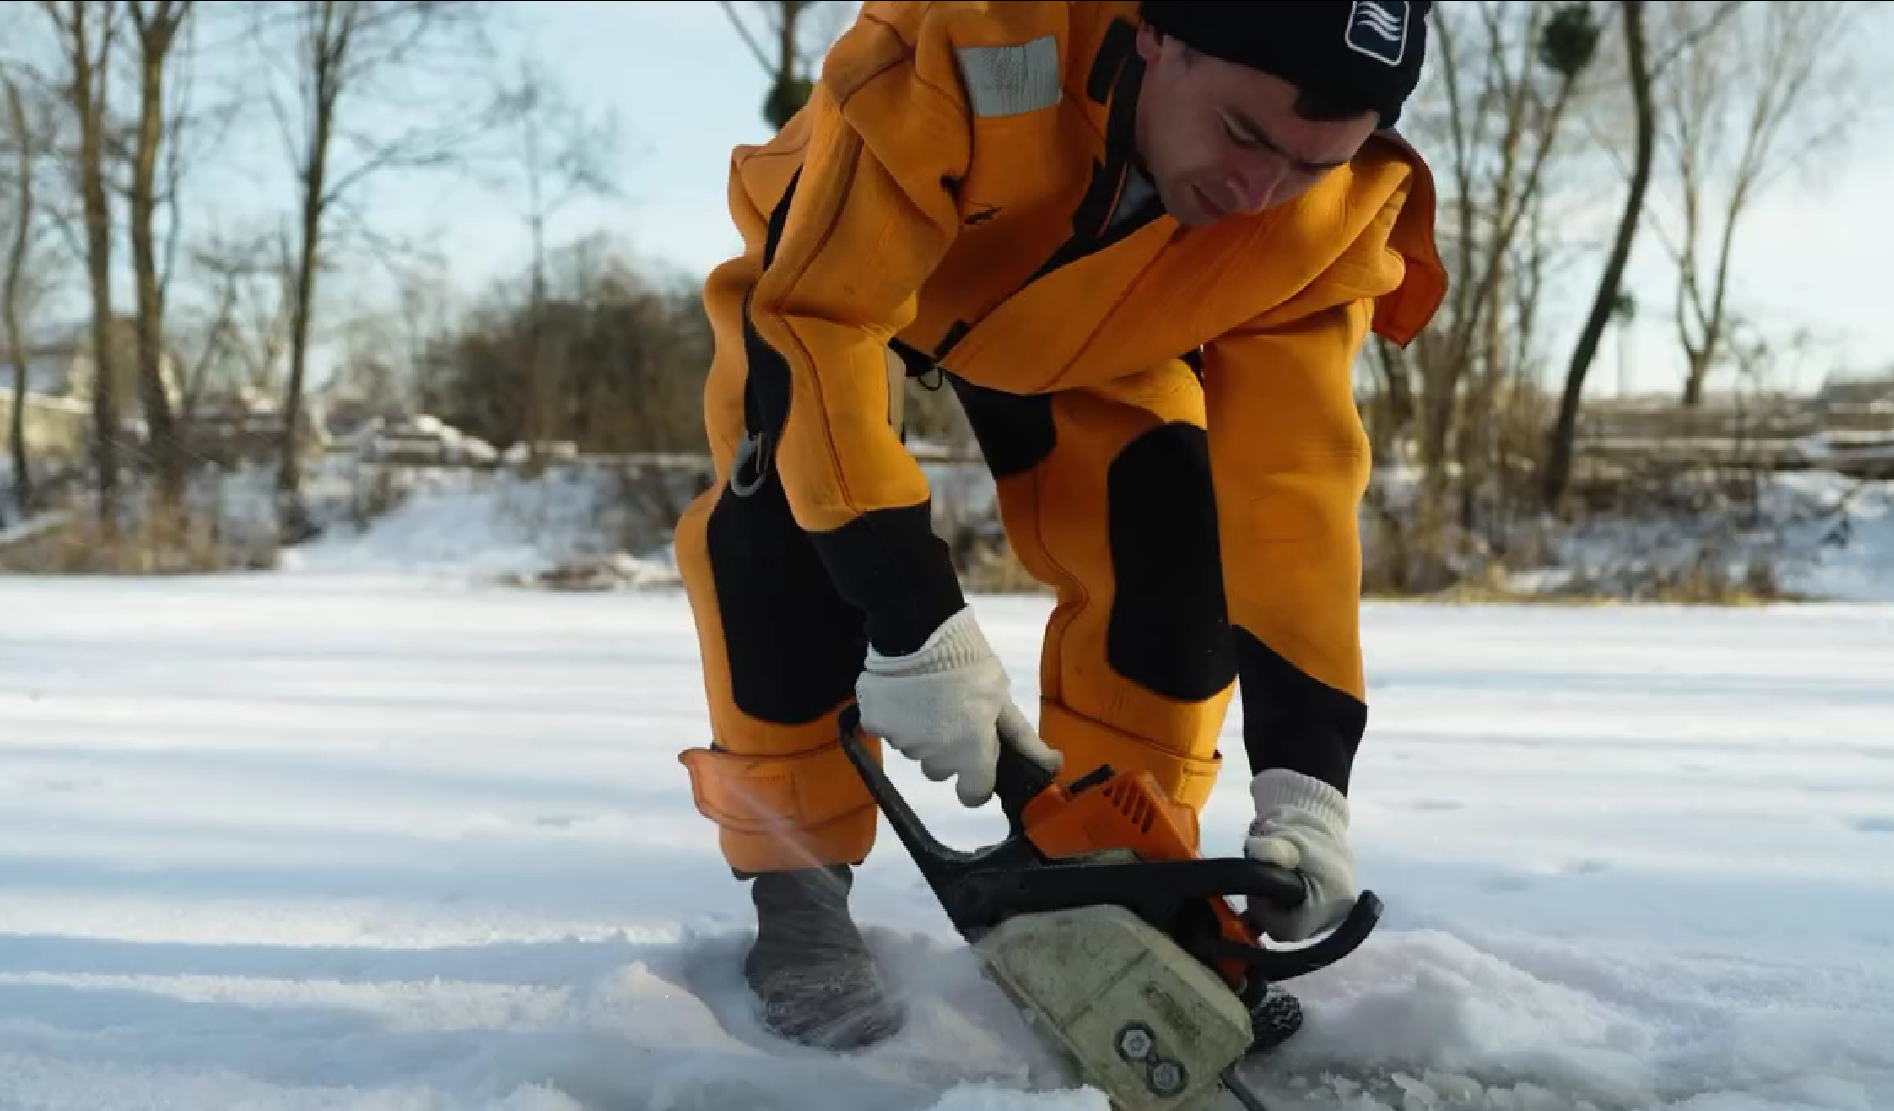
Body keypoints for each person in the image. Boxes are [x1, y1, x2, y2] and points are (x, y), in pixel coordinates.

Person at [672, 0, 1446, 1051]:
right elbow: (824, 319)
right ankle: (798, 899)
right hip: (835, 278)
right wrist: (915, 617)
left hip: (1093, 332)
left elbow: (1291, 488)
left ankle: (1117, 879)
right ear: (1160, 33)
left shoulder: (1320, 217)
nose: (1258, 190)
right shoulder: (974, 38)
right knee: (783, 521)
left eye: (1309, 165)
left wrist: (1307, 780)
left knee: (1178, 549)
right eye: (1244, 134)